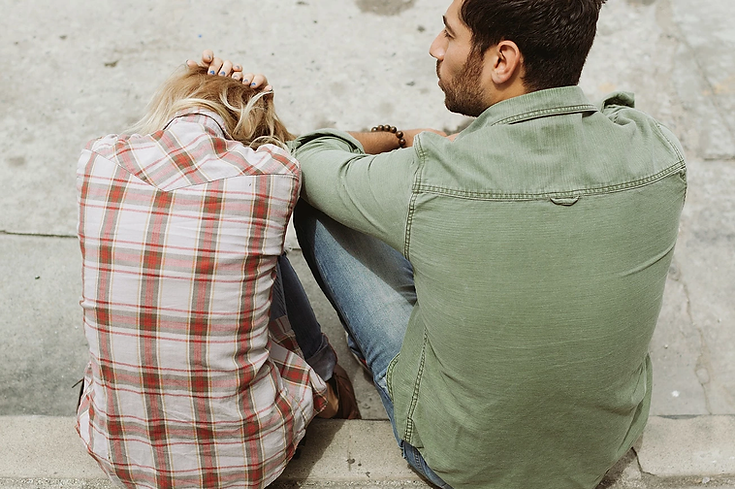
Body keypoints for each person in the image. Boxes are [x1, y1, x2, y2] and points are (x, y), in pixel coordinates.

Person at [206, 0, 687, 485]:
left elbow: (307, 156)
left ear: (502, 60)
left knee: (323, 203)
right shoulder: (657, 150)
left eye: (449, 34)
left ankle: (331, 375)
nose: (435, 48)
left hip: (457, 462)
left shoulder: (433, 175)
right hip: (599, 450)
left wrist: (399, 138)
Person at [76, 64, 359, 489]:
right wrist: (256, 101)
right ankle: (335, 395)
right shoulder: (272, 173)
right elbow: (284, 151)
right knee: (259, 257)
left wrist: (192, 82)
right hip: (249, 462)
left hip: (118, 456)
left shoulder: (97, 160)